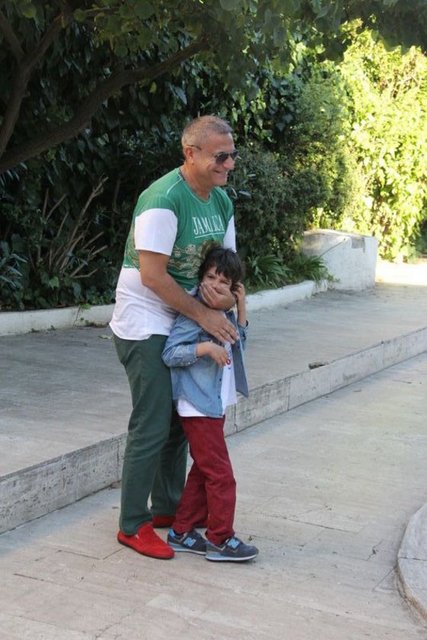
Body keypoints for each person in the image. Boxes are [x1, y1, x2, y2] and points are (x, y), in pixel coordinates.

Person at [109, 115, 240, 560]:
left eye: (232, 155)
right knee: (151, 421)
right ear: (191, 154)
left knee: (178, 422)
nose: (229, 164)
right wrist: (206, 316)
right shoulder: (163, 199)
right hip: (145, 318)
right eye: (220, 156)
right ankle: (132, 524)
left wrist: (232, 302)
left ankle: (167, 507)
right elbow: (152, 276)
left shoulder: (220, 201)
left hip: (184, 320)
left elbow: (230, 268)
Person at [162, 246, 259, 562]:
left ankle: (181, 531)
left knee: (204, 471)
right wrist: (204, 348)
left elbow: (237, 344)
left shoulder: (224, 311)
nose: (215, 285)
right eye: (210, 277)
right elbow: (170, 353)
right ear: (201, 277)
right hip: (197, 405)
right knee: (221, 475)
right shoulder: (196, 312)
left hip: (214, 403)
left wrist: (241, 308)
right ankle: (220, 538)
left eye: (224, 281)